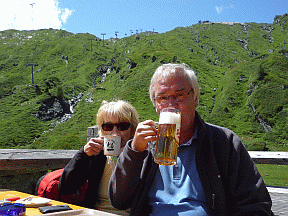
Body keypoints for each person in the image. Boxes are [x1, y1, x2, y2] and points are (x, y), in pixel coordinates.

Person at [108, 64, 272, 216]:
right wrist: (134, 152)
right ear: (155, 105)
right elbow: (119, 201)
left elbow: (255, 204)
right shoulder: (144, 145)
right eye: (162, 98)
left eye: (180, 95)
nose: (171, 105)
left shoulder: (224, 142)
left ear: (196, 99)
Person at [59, 100, 139, 215]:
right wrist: (83, 154)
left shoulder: (140, 155)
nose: (115, 133)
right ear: (102, 130)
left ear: (132, 129)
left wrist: (128, 156)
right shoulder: (97, 155)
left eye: (122, 126)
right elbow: (66, 188)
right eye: (108, 126)